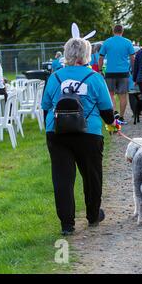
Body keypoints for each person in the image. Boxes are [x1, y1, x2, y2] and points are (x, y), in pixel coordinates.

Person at [41, 37, 115, 235]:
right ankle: (92, 215)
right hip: (88, 133)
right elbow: (107, 110)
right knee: (92, 176)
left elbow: (46, 107)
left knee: (62, 179)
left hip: (57, 133)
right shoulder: (94, 77)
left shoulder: (55, 77)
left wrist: (48, 130)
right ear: (86, 55)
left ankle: (67, 224)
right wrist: (111, 125)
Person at [98, 24, 135, 125]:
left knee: (110, 94)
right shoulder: (127, 42)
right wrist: (132, 69)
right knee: (123, 96)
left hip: (110, 72)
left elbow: (100, 57)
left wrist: (100, 70)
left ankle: (114, 113)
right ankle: (122, 117)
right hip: (123, 72)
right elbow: (132, 58)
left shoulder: (107, 42)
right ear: (122, 31)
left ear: (113, 31)